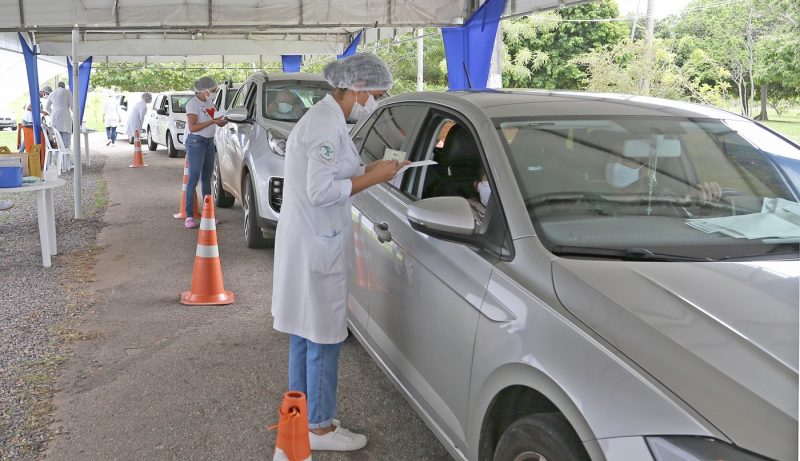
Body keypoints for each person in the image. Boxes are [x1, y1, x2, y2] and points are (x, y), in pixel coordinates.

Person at [271, 53, 404, 453]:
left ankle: (301, 415)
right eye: (377, 93)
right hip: (317, 244)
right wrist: (372, 177)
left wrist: (368, 169)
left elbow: (326, 176)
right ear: (358, 89)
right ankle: (321, 429)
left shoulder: (327, 119)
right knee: (324, 337)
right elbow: (320, 191)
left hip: (308, 241)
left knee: (304, 332)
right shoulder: (326, 125)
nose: (377, 101)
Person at [183, 76, 227, 229]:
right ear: (203, 90)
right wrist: (213, 121)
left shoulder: (209, 103)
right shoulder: (193, 104)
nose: (214, 92)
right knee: (193, 179)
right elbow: (193, 127)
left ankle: (209, 214)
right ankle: (189, 215)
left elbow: (217, 121)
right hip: (196, 142)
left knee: (207, 179)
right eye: (213, 89)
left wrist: (223, 120)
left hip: (208, 142)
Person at [604, 156, 722, 203]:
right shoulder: (592, 202)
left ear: (647, 167)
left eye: (626, 158)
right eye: (613, 158)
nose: (616, 165)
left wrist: (703, 202)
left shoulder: (667, 200)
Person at [45, 82, 72, 148]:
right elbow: (72, 106)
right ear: (64, 86)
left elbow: (47, 108)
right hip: (65, 117)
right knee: (66, 142)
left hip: (55, 118)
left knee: (58, 141)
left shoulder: (52, 93)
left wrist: (52, 114)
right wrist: (77, 118)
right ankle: (66, 157)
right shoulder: (67, 92)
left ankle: (59, 157)